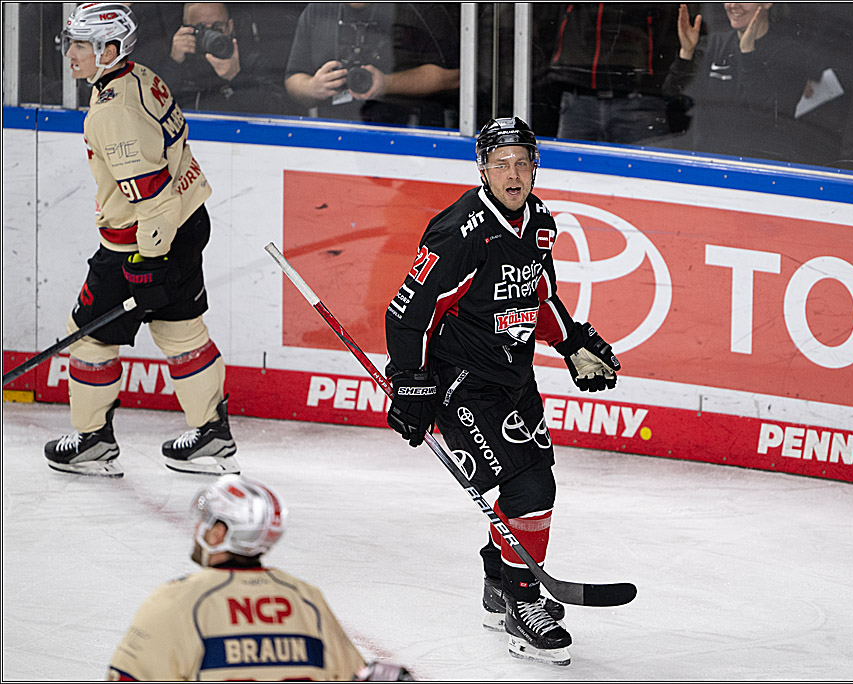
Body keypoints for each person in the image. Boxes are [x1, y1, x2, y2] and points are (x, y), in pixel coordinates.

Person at [383, 117, 622, 666]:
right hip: (461, 382)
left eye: (522, 162)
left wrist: (572, 344)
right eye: (501, 164)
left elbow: (540, 297)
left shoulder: (540, 222)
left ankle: (500, 579)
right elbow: (408, 313)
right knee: (531, 488)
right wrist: (411, 385)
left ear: (535, 166)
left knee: (530, 484)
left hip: (516, 378)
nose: (513, 174)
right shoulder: (460, 231)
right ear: (482, 169)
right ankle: (520, 601)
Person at [47, 3, 238, 478]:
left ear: (110, 50)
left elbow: (149, 196)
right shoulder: (141, 76)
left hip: (141, 240)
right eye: (70, 42)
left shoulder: (113, 113)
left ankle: (92, 441)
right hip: (188, 221)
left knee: (89, 333)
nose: (70, 54)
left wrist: (149, 262)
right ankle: (212, 436)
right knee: (180, 329)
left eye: (80, 46)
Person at [106, 475, 414, 681]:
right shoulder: (306, 597)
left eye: (207, 521)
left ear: (219, 533)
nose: (199, 529)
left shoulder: (177, 600)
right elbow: (353, 674)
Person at [662, 2, 809, 162]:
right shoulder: (713, 44)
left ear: (767, 3)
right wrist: (686, 54)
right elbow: (673, 100)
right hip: (706, 161)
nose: (733, 5)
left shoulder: (789, 54)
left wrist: (747, 53)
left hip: (761, 166)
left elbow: (772, 116)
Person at [284, 3, 460, 127]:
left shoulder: (417, 8)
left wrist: (386, 83)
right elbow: (293, 77)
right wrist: (312, 87)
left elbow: (456, 76)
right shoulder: (317, 10)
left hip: (414, 138)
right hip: (335, 141)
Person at [546, 3, 678, 145]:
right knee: (565, 163)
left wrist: (655, 82)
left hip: (639, 98)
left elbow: (670, 33)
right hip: (577, 95)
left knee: (648, 164)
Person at [159, 2, 288, 115]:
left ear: (230, 26)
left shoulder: (250, 60)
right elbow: (154, 106)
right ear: (186, 28)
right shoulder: (179, 59)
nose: (210, 35)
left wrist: (237, 77)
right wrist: (174, 62)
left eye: (217, 27)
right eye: (201, 28)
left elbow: (278, 110)